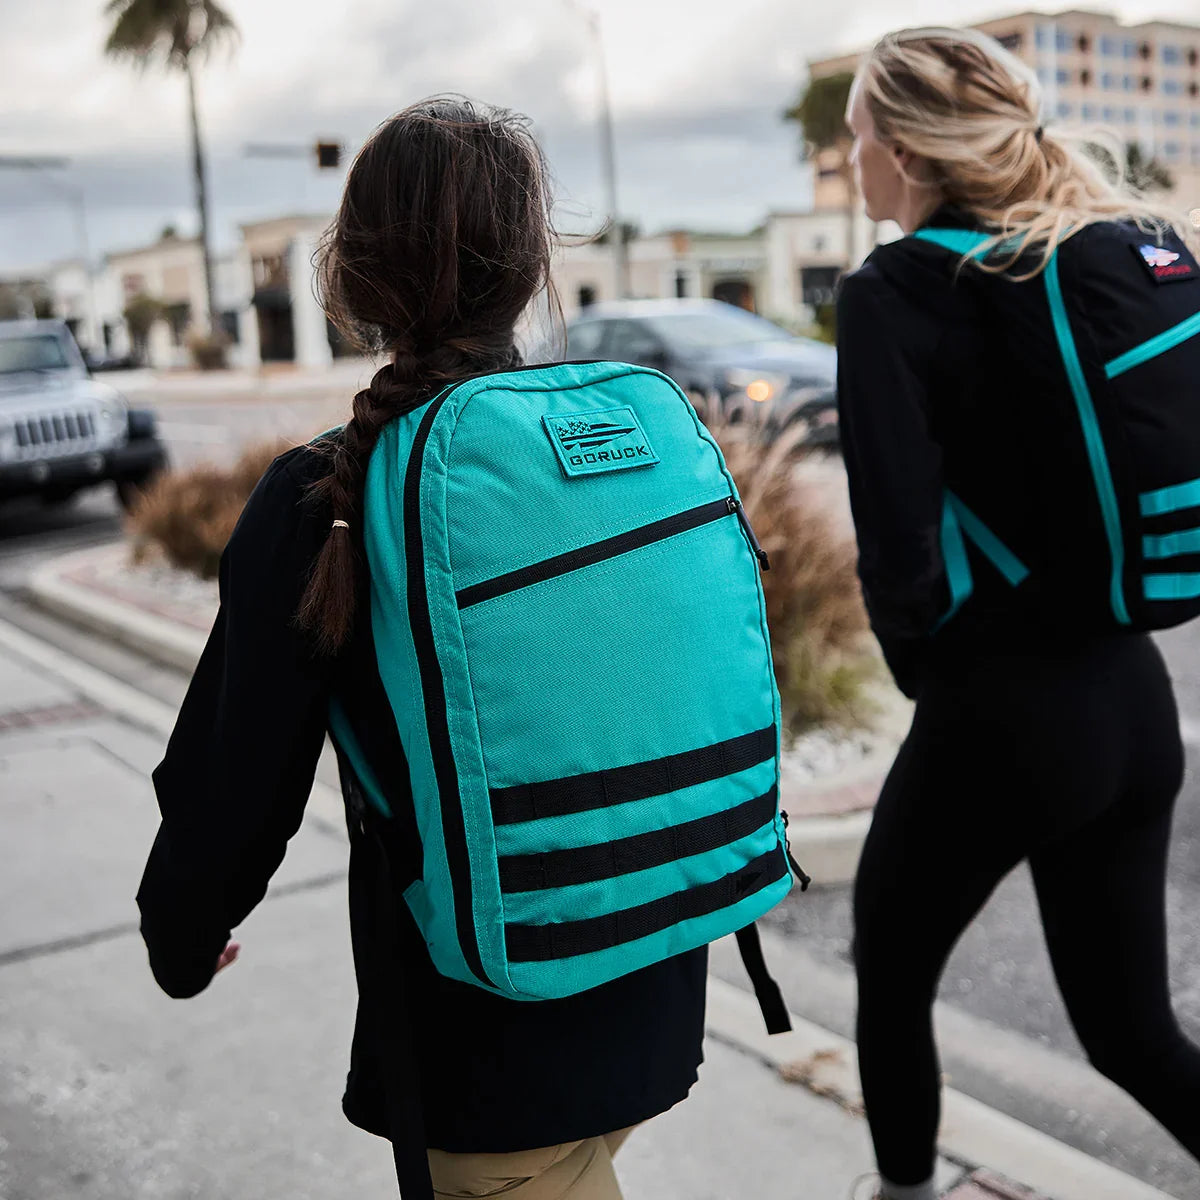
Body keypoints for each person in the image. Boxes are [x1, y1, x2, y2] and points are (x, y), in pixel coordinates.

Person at [136, 99, 709, 1200]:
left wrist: (182, 933)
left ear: (353, 275)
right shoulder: (612, 441)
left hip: (486, 1049)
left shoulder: (326, 496)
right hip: (657, 979)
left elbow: (234, 777)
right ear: (530, 267)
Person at [836, 27, 1200, 1200]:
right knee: (1133, 1034)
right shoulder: (1073, 261)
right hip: (1134, 702)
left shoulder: (892, 293)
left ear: (902, 152)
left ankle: (901, 1196)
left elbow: (897, 552)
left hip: (1003, 711)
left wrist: (934, 681)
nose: (850, 156)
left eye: (855, 135)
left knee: (891, 971)